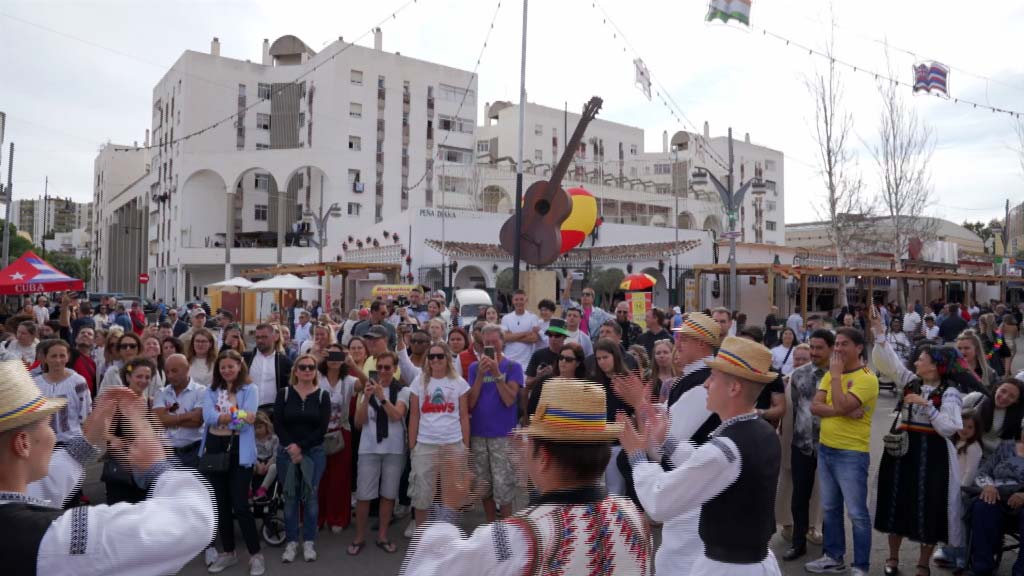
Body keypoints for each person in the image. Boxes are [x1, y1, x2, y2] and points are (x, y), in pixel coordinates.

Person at [402, 380, 652, 575]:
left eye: (528, 441)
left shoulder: (514, 536)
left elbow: (427, 569)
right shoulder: (632, 516)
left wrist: (446, 510)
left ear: (543, 457)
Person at [0, 362, 215, 575]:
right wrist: (159, 466)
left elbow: (39, 487)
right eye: (48, 425)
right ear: (23, 444)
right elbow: (189, 520)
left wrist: (85, 444)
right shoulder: (54, 539)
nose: (53, 434)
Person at [624, 335, 782, 575]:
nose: (706, 384)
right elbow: (708, 464)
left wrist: (636, 457)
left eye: (713, 377)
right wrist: (665, 440)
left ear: (734, 387)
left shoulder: (728, 447)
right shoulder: (762, 431)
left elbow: (660, 501)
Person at [871, 305, 975, 576]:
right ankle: (892, 559)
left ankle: (922, 564)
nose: (916, 362)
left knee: (930, 506)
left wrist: (927, 406)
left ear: (935, 365)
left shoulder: (950, 392)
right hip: (903, 449)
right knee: (897, 503)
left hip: (933, 453)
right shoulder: (910, 381)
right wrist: (879, 334)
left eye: (921, 359)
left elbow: (950, 427)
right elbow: (890, 363)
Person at [805, 327, 878, 576]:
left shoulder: (867, 377)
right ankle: (833, 557)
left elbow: (836, 402)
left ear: (858, 348)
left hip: (852, 453)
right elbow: (815, 407)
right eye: (836, 344)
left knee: (857, 513)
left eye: (843, 344)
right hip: (826, 449)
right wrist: (843, 409)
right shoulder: (830, 375)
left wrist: (836, 380)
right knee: (830, 509)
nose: (837, 349)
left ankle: (860, 566)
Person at [201, 349, 264, 574]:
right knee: (221, 505)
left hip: (240, 450)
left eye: (231, 366)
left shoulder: (250, 389)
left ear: (239, 367)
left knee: (240, 504)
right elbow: (208, 417)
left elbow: (247, 422)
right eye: (223, 367)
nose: (227, 370)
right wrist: (236, 416)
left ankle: (255, 555)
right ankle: (228, 552)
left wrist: (227, 419)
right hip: (214, 449)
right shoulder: (210, 390)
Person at [407, 342, 470, 535]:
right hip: (426, 444)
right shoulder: (419, 382)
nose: (435, 360)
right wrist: (412, 446)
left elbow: (464, 416)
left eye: (440, 356)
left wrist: (465, 447)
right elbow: (414, 415)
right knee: (422, 494)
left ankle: (448, 536)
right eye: (431, 356)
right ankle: (421, 536)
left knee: (451, 494)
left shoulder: (458, 382)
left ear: (447, 359)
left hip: (452, 443)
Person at [351, 350, 410, 556]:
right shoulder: (366, 389)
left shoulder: (402, 391)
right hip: (368, 448)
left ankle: (383, 536)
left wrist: (382, 398)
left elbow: (396, 416)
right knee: (364, 495)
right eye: (380, 367)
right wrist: (366, 398)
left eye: (387, 367)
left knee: (388, 495)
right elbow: (359, 423)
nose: (383, 371)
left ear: (394, 369)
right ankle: (359, 537)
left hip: (393, 450)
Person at [274, 353, 330, 563]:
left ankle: (308, 541)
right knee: (290, 498)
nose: (307, 370)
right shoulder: (285, 393)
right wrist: (292, 447)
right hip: (286, 453)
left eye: (311, 367)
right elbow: (278, 424)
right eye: (303, 367)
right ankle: (291, 542)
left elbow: (322, 428)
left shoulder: (323, 395)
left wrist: (301, 447)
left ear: (315, 372)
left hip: (313, 453)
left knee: (310, 497)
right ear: (296, 371)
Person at [782, 332, 833, 561]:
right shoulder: (798, 375)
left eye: (819, 348)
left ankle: (831, 549)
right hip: (802, 445)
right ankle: (798, 543)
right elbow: (793, 410)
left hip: (831, 446)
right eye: (812, 347)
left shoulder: (839, 376)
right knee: (799, 498)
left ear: (831, 349)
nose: (813, 352)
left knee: (831, 499)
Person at [467, 326, 525, 521]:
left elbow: (510, 399)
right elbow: (470, 403)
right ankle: (491, 526)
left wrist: (496, 372)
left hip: (502, 435)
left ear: (503, 342)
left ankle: (507, 528)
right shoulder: (475, 368)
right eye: (487, 343)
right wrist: (481, 376)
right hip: (479, 434)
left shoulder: (512, 367)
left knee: (504, 484)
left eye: (494, 342)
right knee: (485, 484)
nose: (490, 346)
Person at [965, 430, 1024, 575]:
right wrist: (989, 486)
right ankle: (982, 567)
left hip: (1021, 505)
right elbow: (983, 472)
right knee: (983, 506)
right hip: (997, 496)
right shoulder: (1006, 447)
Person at [317, 344, 358, 533]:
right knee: (318, 476)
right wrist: (317, 357)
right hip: (318, 433)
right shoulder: (317, 377)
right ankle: (318, 517)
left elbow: (367, 384)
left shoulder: (348, 380)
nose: (334, 358)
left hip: (341, 432)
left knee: (339, 478)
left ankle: (337, 518)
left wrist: (352, 364)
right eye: (330, 354)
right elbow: (296, 377)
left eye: (337, 354)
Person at [589, 338, 633, 495]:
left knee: (616, 491)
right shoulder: (594, 381)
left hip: (619, 443)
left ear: (615, 356)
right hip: (598, 442)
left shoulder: (628, 379)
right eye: (598, 358)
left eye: (605, 357)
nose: (602, 362)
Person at [32, 339, 91, 445]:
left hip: (73, 442)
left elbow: (86, 414)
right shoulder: (36, 383)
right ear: (45, 358)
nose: (58, 360)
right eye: (53, 356)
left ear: (68, 357)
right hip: (44, 443)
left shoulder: (78, 382)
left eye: (62, 356)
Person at [152, 353, 206, 467]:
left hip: (192, 453)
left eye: (174, 371)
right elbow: (158, 421)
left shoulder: (201, 391)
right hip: (165, 454)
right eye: (167, 372)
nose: (170, 375)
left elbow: (197, 421)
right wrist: (188, 415)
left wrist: (168, 418)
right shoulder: (161, 392)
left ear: (187, 369)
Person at [526, 342, 586, 417]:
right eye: (561, 357)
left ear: (578, 363)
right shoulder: (544, 382)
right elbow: (532, 410)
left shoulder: (584, 388)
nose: (563, 361)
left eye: (568, 359)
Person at [244, 323, 294, 411]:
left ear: (275, 337)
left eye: (264, 337)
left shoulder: (285, 362)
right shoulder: (245, 359)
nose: (260, 340)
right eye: (257, 337)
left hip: (274, 413)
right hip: (247, 412)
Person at [560, 274, 613, 339]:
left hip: (591, 343)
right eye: (582, 294)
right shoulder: (576, 308)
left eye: (587, 294)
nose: (584, 296)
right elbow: (565, 302)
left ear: (593, 298)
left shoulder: (599, 313)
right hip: (574, 340)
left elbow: (613, 319)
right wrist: (568, 284)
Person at [499, 290, 540, 371]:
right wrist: (526, 333)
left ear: (526, 300)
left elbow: (534, 338)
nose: (519, 302)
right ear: (513, 301)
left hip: (526, 362)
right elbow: (505, 338)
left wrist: (512, 336)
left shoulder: (533, 317)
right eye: (516, 299)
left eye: (521, 299)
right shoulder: (506, 318)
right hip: (509, 360)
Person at [524, 318, 568, 392]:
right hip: (541, 398)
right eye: (550, 335)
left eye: (557, 335)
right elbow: (527, 384)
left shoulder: (569, 355)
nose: (553, 338)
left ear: (564, 337)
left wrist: (553, 374)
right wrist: (538, 377)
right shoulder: (538, 354)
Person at [251, 412, 279, 500]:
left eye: (260, 427)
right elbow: (251, 453)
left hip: (269, 460)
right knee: (247, 466)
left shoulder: (274, 438)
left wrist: (267, 465)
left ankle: (263, 489)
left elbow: (275, 454)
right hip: (256, 461)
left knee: (275, 467)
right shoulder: (253, 439)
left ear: (266, 425)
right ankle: (249, 489)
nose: (257, 431)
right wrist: (257, 464)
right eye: (255, 428)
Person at [978, 312, 1012, 378]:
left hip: (991, 358)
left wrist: (990, 354)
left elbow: (996, 345)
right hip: (995, 357)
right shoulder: (997, 332)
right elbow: (999, 345)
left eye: (980, 323)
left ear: (983, 324)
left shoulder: (982, 334)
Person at [69, 327, 98, 397]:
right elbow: (64, 329)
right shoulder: (69, 355)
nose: (85, 335)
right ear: (76, 339)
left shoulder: (94, 363)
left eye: (89, 334)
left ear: (94, 342)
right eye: (82, 333)